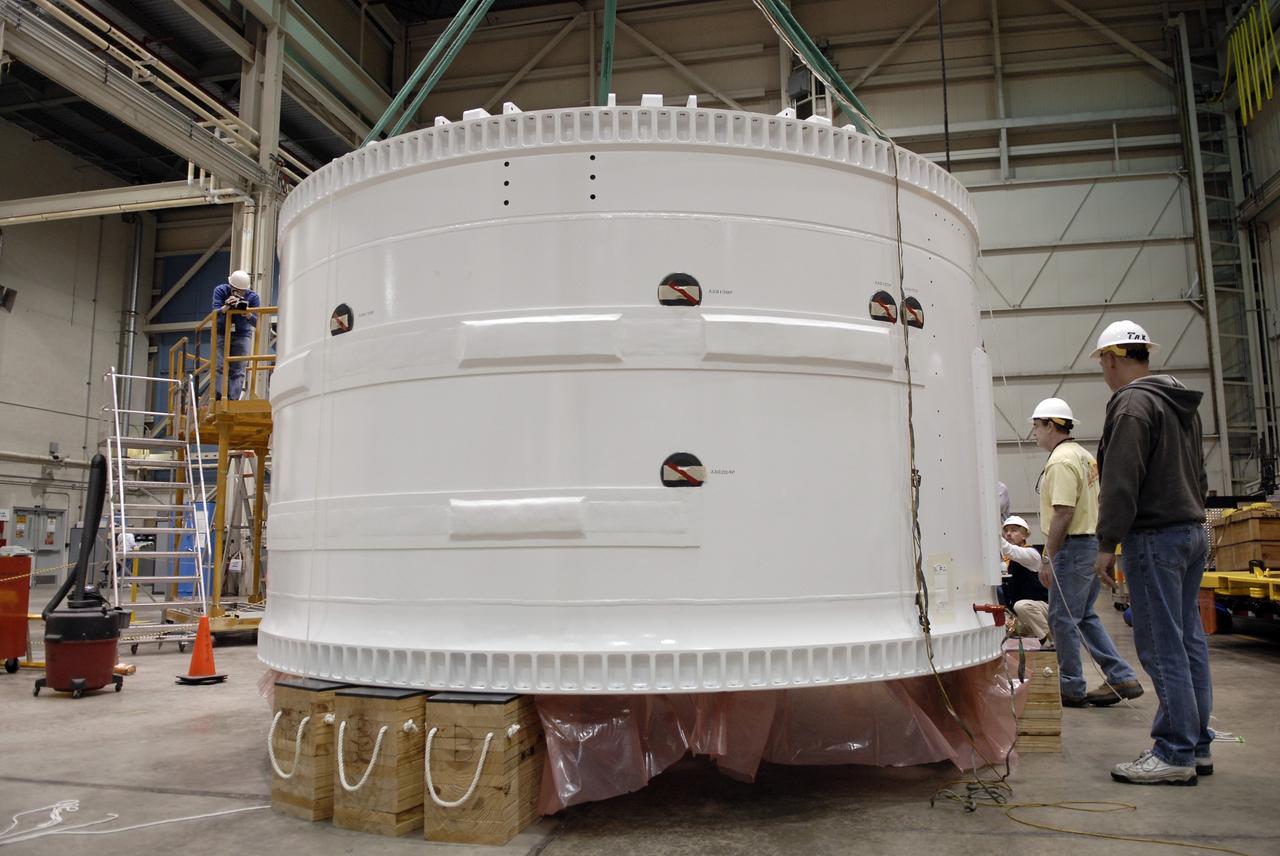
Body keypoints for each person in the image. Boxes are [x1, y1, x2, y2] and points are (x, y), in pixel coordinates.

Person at [1091, 320, 1212, 786]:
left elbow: (1121, 481)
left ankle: (1174, 751)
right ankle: (1196, 746)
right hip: (1191, 530)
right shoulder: (1178, 401)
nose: (1104, 370)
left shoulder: (1131, 405)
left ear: (1113, 358)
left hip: (1155, 537)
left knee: (1161, 645)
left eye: (1103, 361)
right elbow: (1198, 474)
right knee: (1188, 643)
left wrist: (1107, 544)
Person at [1029, 396, 1143, 708]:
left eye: (1037, 426)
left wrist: (1048, 556)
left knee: (1061, 619)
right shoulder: (1083, 455)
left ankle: (1071, 686)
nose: (1035, 433)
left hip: (1074, 546)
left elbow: (1063, 512)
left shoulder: (1061, 461)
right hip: (1092, 543)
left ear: (1052, 425)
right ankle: (1120, 675)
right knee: (1084, 616)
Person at [999, 515, 1051, 645]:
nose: (1008, 534)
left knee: (1022, 606)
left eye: (1014, 530)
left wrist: (992, 535)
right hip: (1021, 615)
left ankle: (1051, 640)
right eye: (1006, 531)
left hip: (1040, 608)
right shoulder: (1005, 560)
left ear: (1025, 536)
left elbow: (1011, 550)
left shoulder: (1031, 555)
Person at [211, 270, 260, 401]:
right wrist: (226, 306)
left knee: (238, 369)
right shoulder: (221, 291)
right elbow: (214, 314)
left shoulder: (253, 298)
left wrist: (248, 315)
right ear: (230, 287)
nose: (239, 294)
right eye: (236, 290)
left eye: (242, 291)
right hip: (222, 332)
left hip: (242, 334)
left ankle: (233, 400)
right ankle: (219, 398)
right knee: (219, 366)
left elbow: (258, 322)